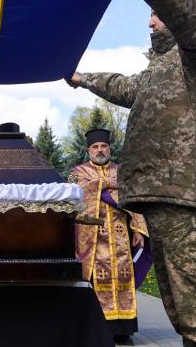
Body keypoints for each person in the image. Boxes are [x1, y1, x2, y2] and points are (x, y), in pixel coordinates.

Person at [67, 0, 196, 346]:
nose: (150, 22)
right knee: (182, 311)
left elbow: (194, 22)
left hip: (189, 196)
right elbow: (124, 86)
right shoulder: (157, 71)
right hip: (161, 196)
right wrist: (82, 78)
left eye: (157, 15)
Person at [69, 128, 149, 342]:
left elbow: (133, 198)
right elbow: (76, 195)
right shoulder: (78, 172)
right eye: (95, 147)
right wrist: (104, 184)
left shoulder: (121, 171)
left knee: (123, 279)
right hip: (94, 238)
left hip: (121, 236)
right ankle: (100, 330)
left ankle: (123, 330)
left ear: (109, 148)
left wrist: (138, 229)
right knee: (97, 281)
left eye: (103, 146)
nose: (100, 150)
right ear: (88, 150)